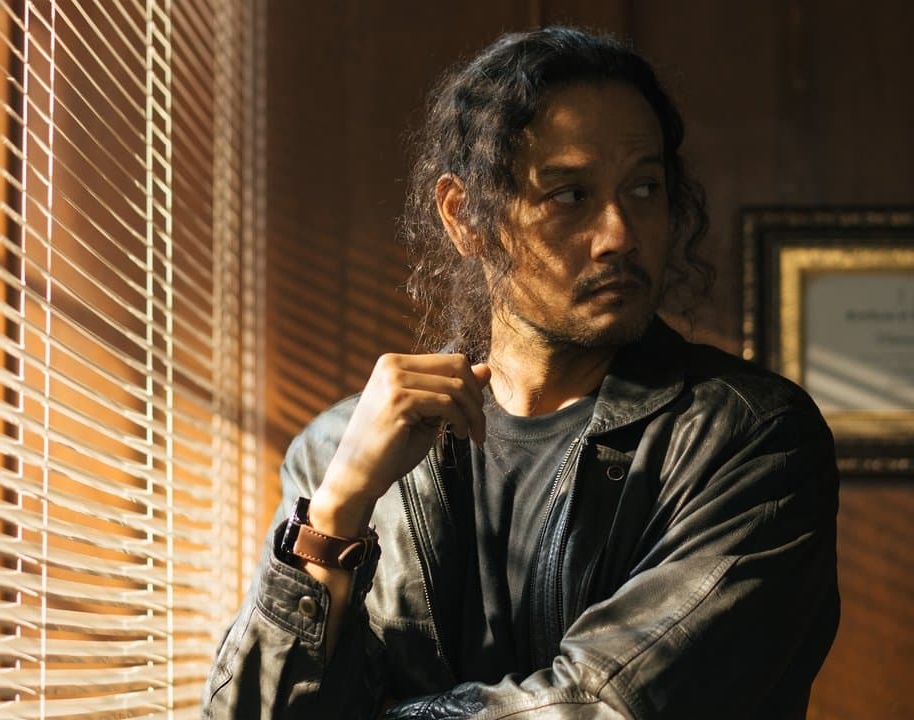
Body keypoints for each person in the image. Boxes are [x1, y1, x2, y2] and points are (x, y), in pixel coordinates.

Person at [202, 26, 839, 719]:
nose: (621, 234)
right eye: (570, 195)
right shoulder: (337, 450)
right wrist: (335, 510)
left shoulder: (750, 439)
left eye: (645, 188)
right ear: (465, 217)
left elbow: (604, 707)